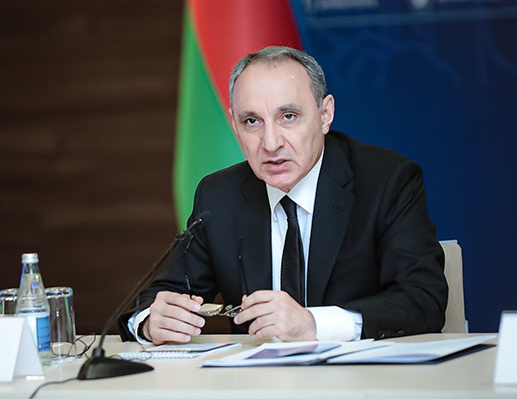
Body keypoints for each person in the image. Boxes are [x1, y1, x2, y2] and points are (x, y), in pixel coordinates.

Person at [118, 45, 448, 345]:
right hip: (258, 381)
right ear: (234, 126)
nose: (271, 143)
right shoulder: (218, 197)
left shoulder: (386, 181)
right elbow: (162, 296)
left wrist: (313, 324)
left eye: (288, 117)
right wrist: (149, 322)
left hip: (363, 380)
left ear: (325, 114)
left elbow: (423, 300)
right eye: (252, 121)